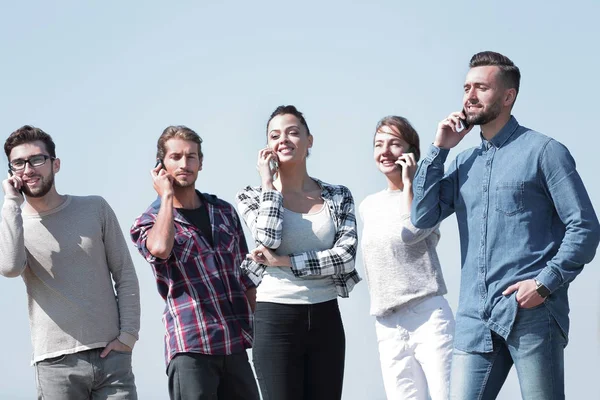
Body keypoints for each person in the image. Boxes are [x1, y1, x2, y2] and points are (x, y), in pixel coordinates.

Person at [411, 51, 600, 399]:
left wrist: (544, 283)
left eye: (481, 87)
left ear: (508, 96)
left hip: (532, 314)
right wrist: (439, 149)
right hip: (474, 320)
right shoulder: (464, 162)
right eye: (466, 87)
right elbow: (422, 217)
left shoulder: (545, 152)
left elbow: (585, 227)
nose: (469, 95)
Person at [0, 125, 140, 399]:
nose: (28, 169)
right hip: (55, 365)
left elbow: (124, 274)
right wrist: (10, 203)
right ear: (11, 171)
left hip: (112, 359)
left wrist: (128, 336)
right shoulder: (13, 223)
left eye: (37, 159)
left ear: (56, 164)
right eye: (18, 163)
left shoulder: (95, 208)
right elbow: (10, 267)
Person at [236, 105, 361, 400]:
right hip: (274, 317)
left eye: (293, 132)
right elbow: (268, 236)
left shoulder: (338, 195)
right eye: (275, 135)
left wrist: (285, 262)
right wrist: (269, 184)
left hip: (326, 316)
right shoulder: (251, 196)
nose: (284, 140)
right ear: (267, 147)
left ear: (309, 140)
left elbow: (345, 257)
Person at [130, 125, 259, 400]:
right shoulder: (149, 222)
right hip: (191, 346)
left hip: (235, 341)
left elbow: (246, 276)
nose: (184, 164)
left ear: (201, 163)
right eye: (175, 157)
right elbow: (161, 249)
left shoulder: (224, 212)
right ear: (160, 165)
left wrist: (263, 328)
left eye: (191, 157)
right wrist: (166, 197)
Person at [359, 116, 454, 400]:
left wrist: (410, 184)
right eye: (378, 144)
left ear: (410, 151)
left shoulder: (427, 199)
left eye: (394, 143)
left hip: (426, 313)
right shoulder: (368, 206)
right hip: (387, 322)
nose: (385, 151)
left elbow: (411, 231)